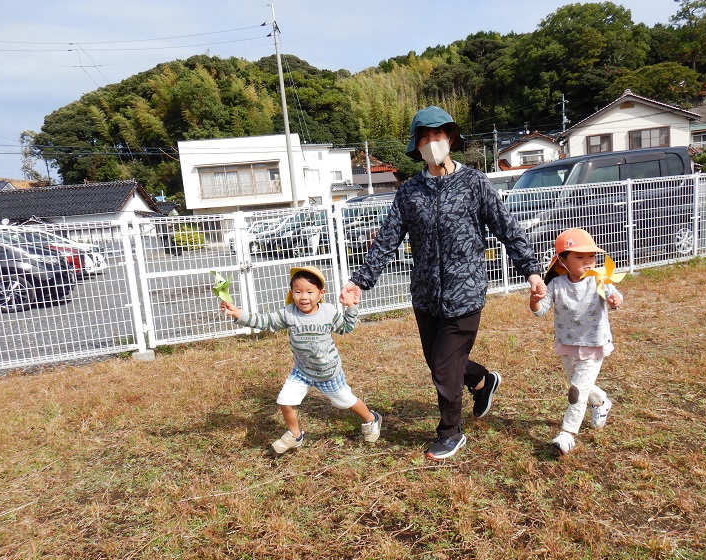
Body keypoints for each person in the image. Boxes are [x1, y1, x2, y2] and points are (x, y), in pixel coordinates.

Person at [340, 106, 545, 460]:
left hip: (465, 291)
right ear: (416, 145)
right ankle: (482, 380)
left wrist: (531, 269)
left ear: (450, 139)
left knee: (444, 367)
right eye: (425, 137)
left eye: (439, 135)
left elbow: (506, 228)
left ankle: (450, 431)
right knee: (439, 361)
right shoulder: (410, 192)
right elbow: (388, 239)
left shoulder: (474, 183)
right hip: (425, 294)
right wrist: (361, 281)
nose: (433, 142)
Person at [221, 265, 381, 456]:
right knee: (285, 400)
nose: (304, 297)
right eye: (298, 292)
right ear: (292, 293)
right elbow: (264, 321)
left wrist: (351, 307)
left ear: (321, 293)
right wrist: (238, 313)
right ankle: (295, 435)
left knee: (345, 401)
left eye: (309, 292)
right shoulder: (289, 313)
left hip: (328, 373)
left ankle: (371, 419)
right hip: (302, 371)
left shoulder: (328, 312)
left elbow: (345, 328)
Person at [529, 228, 623, 456]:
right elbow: (540, 311)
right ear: (563, 260)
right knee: (580, 385)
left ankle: (568, 434)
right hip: (567, 344)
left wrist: (615, 300)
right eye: (580, 257)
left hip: (594, 344)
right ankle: (601, 402)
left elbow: (616, 298)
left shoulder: (599, 279)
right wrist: (534, 300)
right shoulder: (556, 285)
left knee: (577, 391)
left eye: (591, 256)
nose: (588, 262)